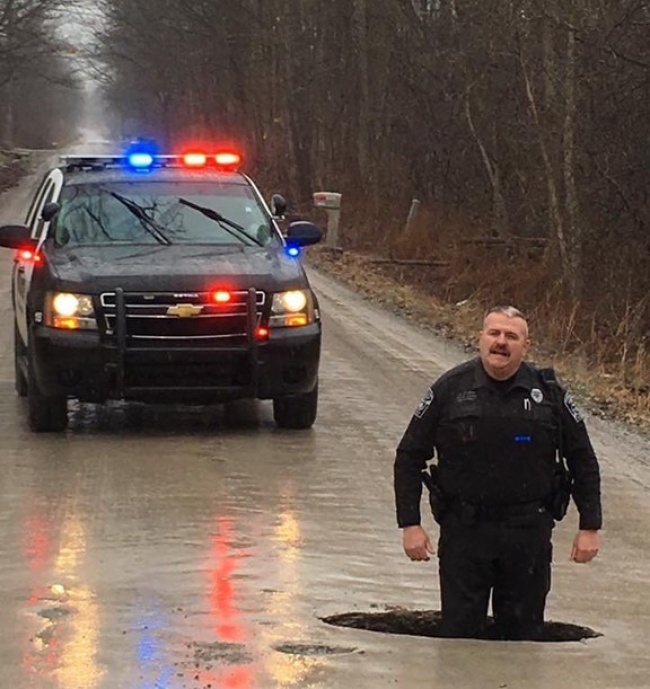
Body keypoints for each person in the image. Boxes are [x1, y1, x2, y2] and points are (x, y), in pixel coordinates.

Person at [393, 305, 602, 640]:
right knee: (459, 639)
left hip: (527, 534)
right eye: (494, 333)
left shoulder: (548, 394)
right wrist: (410, 524)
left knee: (521, 641)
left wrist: (590, 525)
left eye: (511, 336)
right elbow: (408, 456)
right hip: (465, 532)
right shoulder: (450, 389)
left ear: (525, 346)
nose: (501, 342)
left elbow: (583, 460)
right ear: (481, 338)